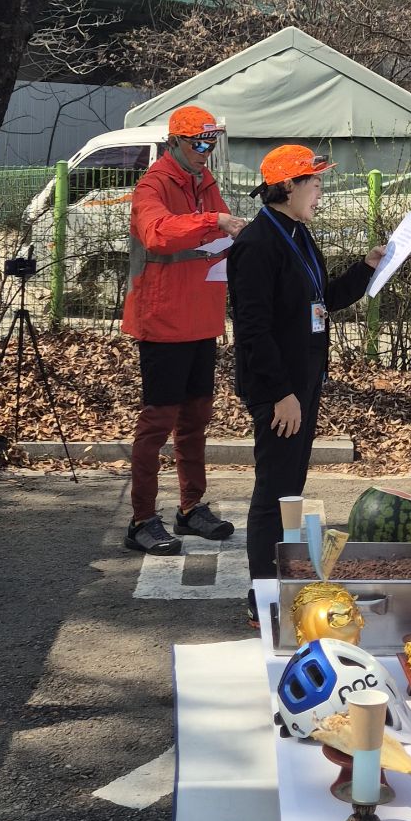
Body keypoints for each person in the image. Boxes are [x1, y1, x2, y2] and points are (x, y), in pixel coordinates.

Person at [228, 145, 385, 626]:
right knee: (273, 491)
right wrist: (280, 393)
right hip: (279, 390)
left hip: (303, 381)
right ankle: (262, 595)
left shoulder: (297, 232)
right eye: (313, 183)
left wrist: (366, 267)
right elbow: (252, 330)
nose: (320, 191)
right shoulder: (258, 244)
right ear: (287, 187)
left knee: (289, 488)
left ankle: (282, 578)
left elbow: (323, 298)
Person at [121, 105, 247, 555]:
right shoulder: (153, 184)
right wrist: (214, 221)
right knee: (157, 423)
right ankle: (141, 520)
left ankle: (191, 508)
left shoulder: (202, 180)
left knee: (195, 419)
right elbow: (157, 232)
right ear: (174, 141)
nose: (205, 151)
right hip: (163, 321)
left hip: (201, 319)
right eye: (198, 143)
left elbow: (222, 236)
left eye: (211, 143)